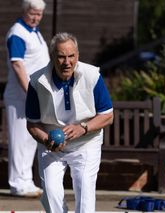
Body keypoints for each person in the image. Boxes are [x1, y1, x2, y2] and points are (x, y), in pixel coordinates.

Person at [25, 32, 114, 212]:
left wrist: (84, 128)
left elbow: (107, 115)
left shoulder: (92, 76)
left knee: (85, 194)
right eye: (61, 57)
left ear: (77, 56)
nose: (67, 62)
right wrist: (46, 140)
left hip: (86, 142)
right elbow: (32, 124)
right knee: (50, 194)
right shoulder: (36, 81)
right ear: (52, 57)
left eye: (71, 56)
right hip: (51, 146)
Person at [4, 0, 50, 197]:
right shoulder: (17, 33)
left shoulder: (35, 32)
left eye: (39, 14)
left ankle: (27, 181)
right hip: (21, 96)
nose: (36, 17)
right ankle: (17, 183)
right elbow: (17, 65)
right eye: (33, 13)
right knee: (19, 139)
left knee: (32, 138)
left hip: (36, 96)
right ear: (24, 11)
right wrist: (30, 93)